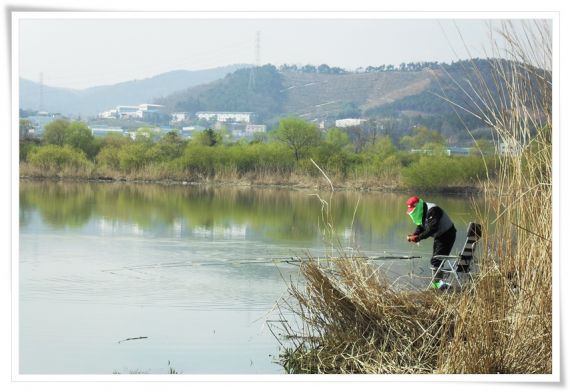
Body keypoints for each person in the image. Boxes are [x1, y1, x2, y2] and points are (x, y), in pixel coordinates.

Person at [406, 195, 456, 289]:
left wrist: (418, 238)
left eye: (413, 210)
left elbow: (432, 229)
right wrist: (415, 234)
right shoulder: (423, 210)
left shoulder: (433, 210)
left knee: (436, 260)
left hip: (447, 234)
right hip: (439, 236)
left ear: (418, 206)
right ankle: (438, 284)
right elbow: (420, 225)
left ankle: (437, 285)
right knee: (436, 259)